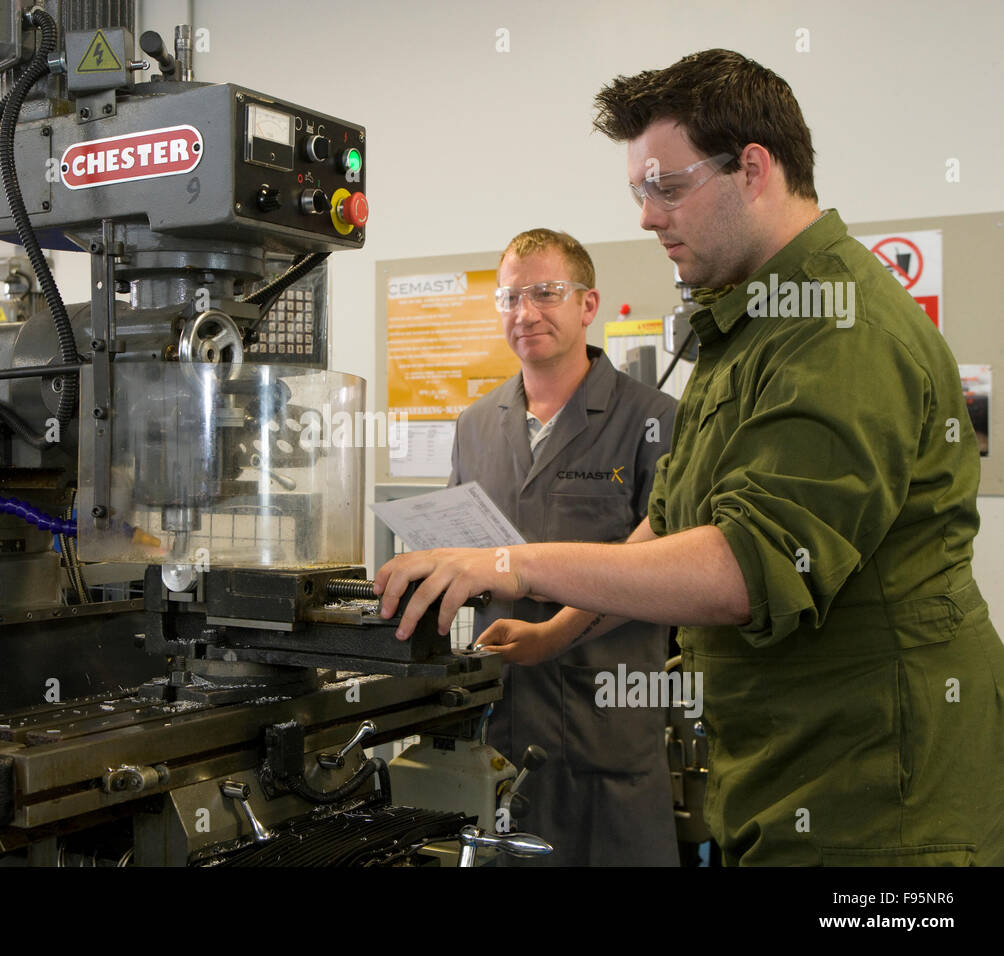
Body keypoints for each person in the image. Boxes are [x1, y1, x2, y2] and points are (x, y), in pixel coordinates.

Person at [374, 49, 1004, 866]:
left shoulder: (839, 331)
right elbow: (671, 523)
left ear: (752, 169)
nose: (646, 217)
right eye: (639, 191)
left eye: (666, 188)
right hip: (785, 765)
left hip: (879, 794)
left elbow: (744, 566)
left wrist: (514, 563)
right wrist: (555, 633)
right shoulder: (748, 327)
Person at [450, 228, 678, 866]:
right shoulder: (474, 427)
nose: (525, 313)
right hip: (502, 730)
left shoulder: (654, 420)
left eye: (546, 293)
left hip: (607, 735)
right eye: (510, 297)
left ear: (587, 304)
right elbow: (461, 556)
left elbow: (663, 566)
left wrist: (555, 634)